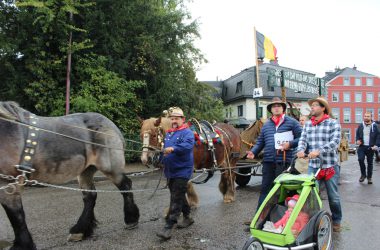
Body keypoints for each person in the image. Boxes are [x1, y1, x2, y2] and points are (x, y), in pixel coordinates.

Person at [296, 96, 342, 232]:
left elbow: (335, 142)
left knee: (333, 197)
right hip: (313, 166)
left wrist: (319, 151)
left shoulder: (333, 123)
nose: (312, 108)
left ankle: (337, 219)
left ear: (323, 108)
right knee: (311, 195)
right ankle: (313, 221)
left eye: (315, 105)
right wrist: (300, 150)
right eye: (312, 105)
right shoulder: (308, 124)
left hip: (330, 166)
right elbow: (302, 140)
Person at [247, 97, 302, 209]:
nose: (276, 108)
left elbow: (302, 138)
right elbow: (260, 141)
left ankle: (281, 218)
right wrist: (253, 152)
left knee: (282, 190)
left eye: (279, 106)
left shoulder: (292, 122)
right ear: (271, 110)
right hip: (268, 161)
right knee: (265, 189)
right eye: (274, 106)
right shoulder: (266, 125)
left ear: (283, 109)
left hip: (285, 162)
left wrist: (290, 144)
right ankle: (260, 217)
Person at [156, 107, 195, 240]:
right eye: (172, 119)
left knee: (175, 198)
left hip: (182, 170)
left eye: (176, 119)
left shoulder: (187, 132)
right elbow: (165, 151)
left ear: (182, 120)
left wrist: (173, 148)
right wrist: (160, 160)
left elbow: (187, 146)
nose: (173, 121)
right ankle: (188, 217)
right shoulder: (169, 133)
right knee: (178, 194)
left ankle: (168, 227)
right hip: (170, 171)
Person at [355, 112, 379, 184]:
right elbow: (357, 134)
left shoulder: (375, 126)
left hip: (370, 147)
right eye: (365, 116)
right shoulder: (361, 125)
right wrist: (357, 140)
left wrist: (376, 145)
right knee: (360, 159)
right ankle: (363, 175)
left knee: (370, 163)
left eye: (368, 116)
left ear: (371, 117)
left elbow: (378, 136)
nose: (366, 117)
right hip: (362, 146)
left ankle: (369, 177)